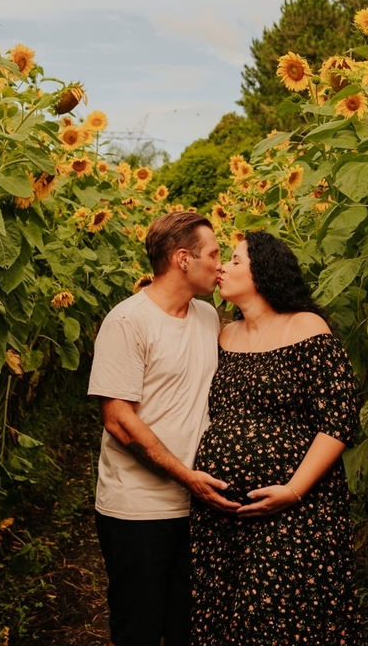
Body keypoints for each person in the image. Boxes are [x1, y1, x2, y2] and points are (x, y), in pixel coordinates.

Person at [191, 230, 363, 646]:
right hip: (224, 512)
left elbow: (339, 418)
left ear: (263, 271)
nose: (222, 269)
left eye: (234, 260)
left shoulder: (306, 327)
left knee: (278, 617)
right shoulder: (223, 335)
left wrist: (293, 490)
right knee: (229, 616)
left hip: (294, 509)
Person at [87, 211, 242, 646]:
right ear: (182, 259)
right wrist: (186, 476)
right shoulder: (128, 321)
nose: (220, 265)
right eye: (213, 254)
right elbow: (119, 419)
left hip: (197, 506)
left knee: (187, 627)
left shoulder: (208, 317)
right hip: (138, 509)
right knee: (139, 627)